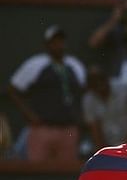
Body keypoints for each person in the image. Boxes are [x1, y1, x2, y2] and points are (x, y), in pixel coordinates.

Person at [7, 25, 86, 163]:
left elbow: (83, 91)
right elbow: (13, 90)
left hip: (68, 129)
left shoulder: (74, 65)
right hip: (43, 128)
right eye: (54, 42)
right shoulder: (35, 64)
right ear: (47, 44)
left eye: (61, 41)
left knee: (67, 174)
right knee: (37, 169)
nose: (58, 45)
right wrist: (29, 115)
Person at [82, 65, 127, 151]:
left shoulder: (126, 89)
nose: (99, 86)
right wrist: (104, 151)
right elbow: (94, 129)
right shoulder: (88, 100)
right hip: (108, 145)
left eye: (101, 82)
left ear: (107, 79)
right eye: (95, 85)